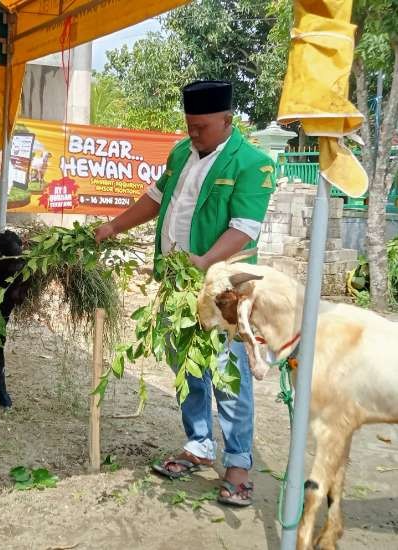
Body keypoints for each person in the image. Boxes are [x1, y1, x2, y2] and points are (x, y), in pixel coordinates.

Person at [94, 80, 275, 508]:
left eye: (202, 127)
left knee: (228, 372)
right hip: (176, 284)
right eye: (189, 125)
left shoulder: (252, 163)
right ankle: (198, 444)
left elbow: (244, 228)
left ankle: (238, 463)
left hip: (224, 287)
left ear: (227, 121)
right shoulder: (180, 153)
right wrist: (113, 226)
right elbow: (156, 199)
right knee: (187, 366)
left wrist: (204, 263)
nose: (193, 133)